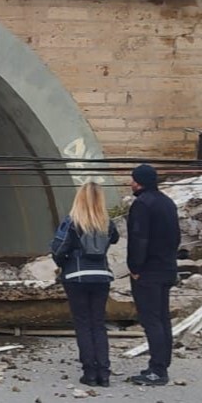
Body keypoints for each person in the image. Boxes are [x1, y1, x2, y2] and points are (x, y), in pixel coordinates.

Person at [50, 181, 120, 387]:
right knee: (98, 323)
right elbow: (114, 240)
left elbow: (58, 249)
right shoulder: (107, 223)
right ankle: (104, 372)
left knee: (83, 323)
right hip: (101, 276)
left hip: (76, 276)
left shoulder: (72, 222)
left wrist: (63, 264)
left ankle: (89, 373)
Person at [125, 163, 181, 386]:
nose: (131, 183)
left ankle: (157, 370)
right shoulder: (167, 203)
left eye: (133, 179)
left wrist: (135, 268)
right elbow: (176, 237)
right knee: (162, 318)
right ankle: (162, 364)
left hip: (148, 272)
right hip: (166, 267)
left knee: (151, 320)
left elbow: (139, 239)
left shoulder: (142, 205)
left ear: (140, 182)